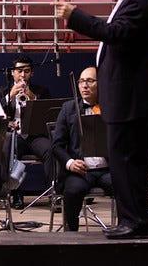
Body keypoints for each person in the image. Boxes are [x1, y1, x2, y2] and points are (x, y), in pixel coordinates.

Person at [55, 0, 148, 239]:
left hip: (129, 99)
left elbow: (115, 33)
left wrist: (75, 16)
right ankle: (136, 217)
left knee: (125, 162)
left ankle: (134, 220)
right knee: (126, 162)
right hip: (125, 98)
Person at [52, 66, 113, 231]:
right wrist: (70, 163)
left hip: (107, 169)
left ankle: (125, 230)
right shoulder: (68, 109)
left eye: (90, 81)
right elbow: (56, 145)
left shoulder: (111, 108)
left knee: (125, 187)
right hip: (81, 170)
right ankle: (71, 234)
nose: (85, 85)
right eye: (82, 81)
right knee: (72, 190)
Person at [0, 56, 54, 210]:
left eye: (27, 71)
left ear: (32, 73)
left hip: (34, 135)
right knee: (9, 149)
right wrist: (10, 95)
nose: (23, 75)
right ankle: (15, 194)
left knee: (51, 149)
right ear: (12, 73)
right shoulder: (2, 91)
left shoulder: (42, 91)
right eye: (19, 71)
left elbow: (47, 116)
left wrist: (32, 97)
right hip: (14, 135)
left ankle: (54, 194)